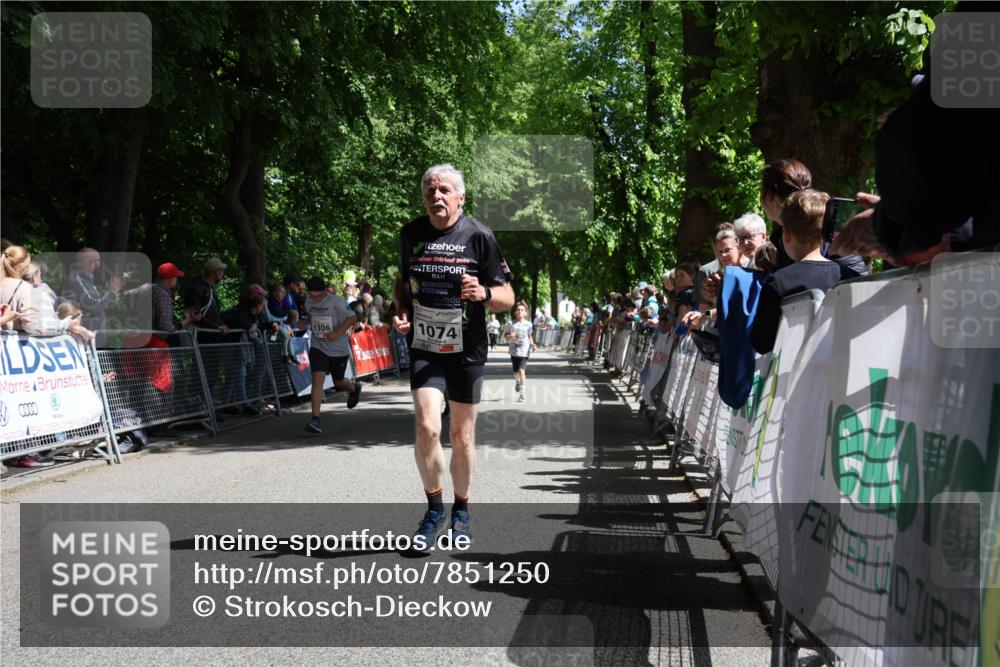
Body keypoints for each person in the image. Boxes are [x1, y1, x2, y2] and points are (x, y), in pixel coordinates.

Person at [392, 163, 514, 549]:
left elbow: (508, 296)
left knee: (461, 436)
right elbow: (402, 283)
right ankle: (433, 511)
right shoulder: (411, 234)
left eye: (444, 189)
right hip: (426, 346)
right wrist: (401, 314)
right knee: (428, 426)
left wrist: (485, 295)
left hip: (467, 348)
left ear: (461, 197)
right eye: (430, 190)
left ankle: (462, 509)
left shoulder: (480, 236)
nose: (436, 196)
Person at [751, 190, 843, 354]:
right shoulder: (846, 276)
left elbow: (761, 343)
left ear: (786, 235)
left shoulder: (778, 282)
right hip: (837, 372)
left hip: (792, 373)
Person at [302, 276, 361, 433]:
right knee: (317, 380)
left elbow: (353, 318)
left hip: (338, 348)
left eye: (318, 296)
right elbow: (312, 316)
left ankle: (354, 389)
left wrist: (336, 333)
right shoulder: (308, 303)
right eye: (312, 296)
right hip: (318, 346)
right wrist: (305, 322)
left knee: (339, 382)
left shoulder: (337, 301)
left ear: (325, 292)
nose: (315, 299)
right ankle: (315, 420)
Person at [2, 246, 92, 339]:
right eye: (40, 276)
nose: (41, 281)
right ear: (34, 277)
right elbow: (32, 325)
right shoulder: (29, 289)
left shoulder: (4, 284)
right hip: (25, 346)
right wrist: (66, 324)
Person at [59, 247, 124, 332]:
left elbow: (98, 303)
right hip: (84, 336)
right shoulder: (75, 278)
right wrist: (111, 292)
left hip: (92, 335)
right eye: (98, 260)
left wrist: (108, 292)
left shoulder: (86, 280)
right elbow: (92, 305)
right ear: (91, 262)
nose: (99, 264)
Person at [184, 258, 230, 339]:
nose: (223, 273)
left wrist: (221, 324)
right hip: (200, 337)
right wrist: (216, 328)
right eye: (221, 270)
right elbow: (195, 315)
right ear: (216, 272)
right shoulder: (197, 288)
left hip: (209, 336)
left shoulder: (209, 289)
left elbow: (213, 315)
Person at [505, 301, 536, 401]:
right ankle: (517, 381)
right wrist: (510, 336)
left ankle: (522, 393)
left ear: (525, 313)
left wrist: (532, 344)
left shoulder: (529, 325)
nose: (520, 311)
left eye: (522, 310)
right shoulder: (511, 324)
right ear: (515, 312)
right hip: (514, 351)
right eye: (518, 310)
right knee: (515, 372)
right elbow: (506, 335)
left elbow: (529, 336)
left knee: (522, 371)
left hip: (524, 351)